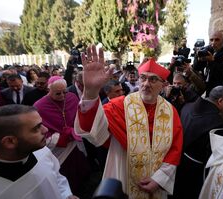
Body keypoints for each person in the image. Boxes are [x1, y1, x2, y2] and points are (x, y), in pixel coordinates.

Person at [74, 45, 183, 199]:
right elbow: (94, 131)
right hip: (124, 178)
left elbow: (174, 150)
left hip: (156, 182)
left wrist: (159, 179)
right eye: (143, 78)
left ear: (163, 85)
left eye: (153, 80)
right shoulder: (119, 105)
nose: (146, 84)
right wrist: (91, 92)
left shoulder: (170, 112)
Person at [0, 105, 78, 199]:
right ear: (10, 141)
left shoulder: (42, 151)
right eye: (36, 128)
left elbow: (56, 177)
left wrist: (66, 195)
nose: (45, 130)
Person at [172, 86, 223, 199]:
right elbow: (211, 155)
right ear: (220, 101)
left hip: (177, 160)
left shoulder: (187, 106)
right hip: (195, 171)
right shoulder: (218, 123)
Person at [34, 76, 91, 196]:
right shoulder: (39, 106)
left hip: (75, 143)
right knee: (64, 175)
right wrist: (60, 137)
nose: (63, 96)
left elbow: (80, 117)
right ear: (48, 91)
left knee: (81, 171)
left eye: (64, 92)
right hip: (58, 149)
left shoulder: (72, 97)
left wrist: (75, 130)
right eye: (58, 93)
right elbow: (38, 130)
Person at [193, 30, 223, 97]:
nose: (213, 43)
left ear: (222, 40)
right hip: (210, 89)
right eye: (211, 40)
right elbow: (196, 67)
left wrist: (212, 61)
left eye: (217, 40)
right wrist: (198, 58)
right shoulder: (208, 50)